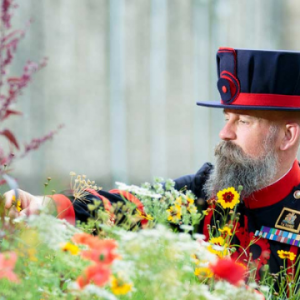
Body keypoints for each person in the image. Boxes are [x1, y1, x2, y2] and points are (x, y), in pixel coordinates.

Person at [4, 47, 300, 279]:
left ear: (287, 135)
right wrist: (43, 206)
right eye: (226, 118)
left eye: (244, 121)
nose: (225, 133)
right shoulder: (203, 191)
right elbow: (127, 205)